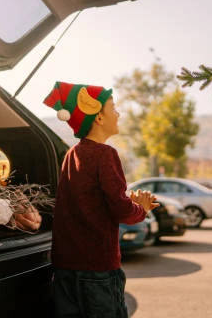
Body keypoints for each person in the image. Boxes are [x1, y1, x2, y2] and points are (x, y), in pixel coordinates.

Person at [43, 81, 159, 318]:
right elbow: (120, 209)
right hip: (97, 270)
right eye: (113, 107)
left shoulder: (71, 154)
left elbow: (87, 202)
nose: (118, 113)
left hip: (65, 268)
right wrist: (141, 208)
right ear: (97, 117)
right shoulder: (105, 154)